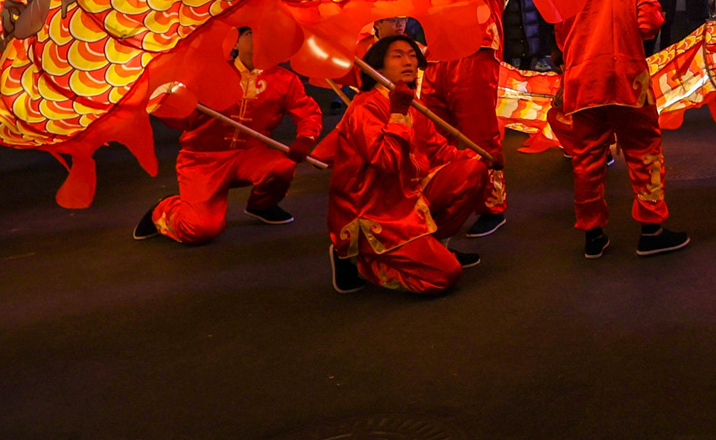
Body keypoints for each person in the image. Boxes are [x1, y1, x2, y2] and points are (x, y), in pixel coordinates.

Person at [317, 34, 486, 295]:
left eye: (411, 55)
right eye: (398, 56)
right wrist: (397, 114)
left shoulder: (412, 103)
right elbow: (387, 162)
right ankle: (361, 258)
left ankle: (434, 245)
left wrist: (479, 158)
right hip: (377, 212)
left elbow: (438, 150)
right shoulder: (365, 108)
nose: (408, 61)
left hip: (411, 196)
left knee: (473, 172)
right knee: (445, 276)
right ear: (378, 67)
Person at [552, 0, 687, 258]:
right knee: (644, 151)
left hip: (582, 83)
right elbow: (649, 25)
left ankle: (592, 234)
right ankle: (651, 229)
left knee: (586, 158)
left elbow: (561, 40)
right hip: (627, 80)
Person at [134, 27, 323, 244]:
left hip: (250, 154)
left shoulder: (285, 80)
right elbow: (183, 121)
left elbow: (308, 112)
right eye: (250, 33)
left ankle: (262, 205)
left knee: (282, 166)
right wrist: (164, 105)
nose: (260, 37)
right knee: (199, 231)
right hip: (202, 159)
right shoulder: (209, 73)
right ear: (234, 43)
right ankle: (164, 208)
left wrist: (305, 138)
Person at [419, 0, 510, 237]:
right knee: (431, 136)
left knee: (479, 133)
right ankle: (439, 200)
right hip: (436, 50)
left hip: (475, 45)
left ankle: (492, 207)